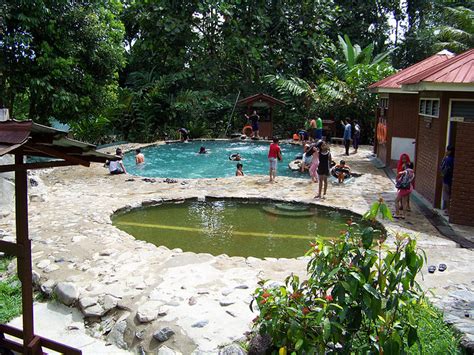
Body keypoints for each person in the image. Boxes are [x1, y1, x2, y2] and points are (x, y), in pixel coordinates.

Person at [440, 145, 455, 215]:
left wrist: (444, 156)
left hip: (446, 179)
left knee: (447, 195)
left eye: (447, 150)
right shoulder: (454, 159)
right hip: (451, 179)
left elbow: (442, 167)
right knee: (450, 194)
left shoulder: (447, 159)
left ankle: (448, 210)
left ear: (449, 151)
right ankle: (448, 209)